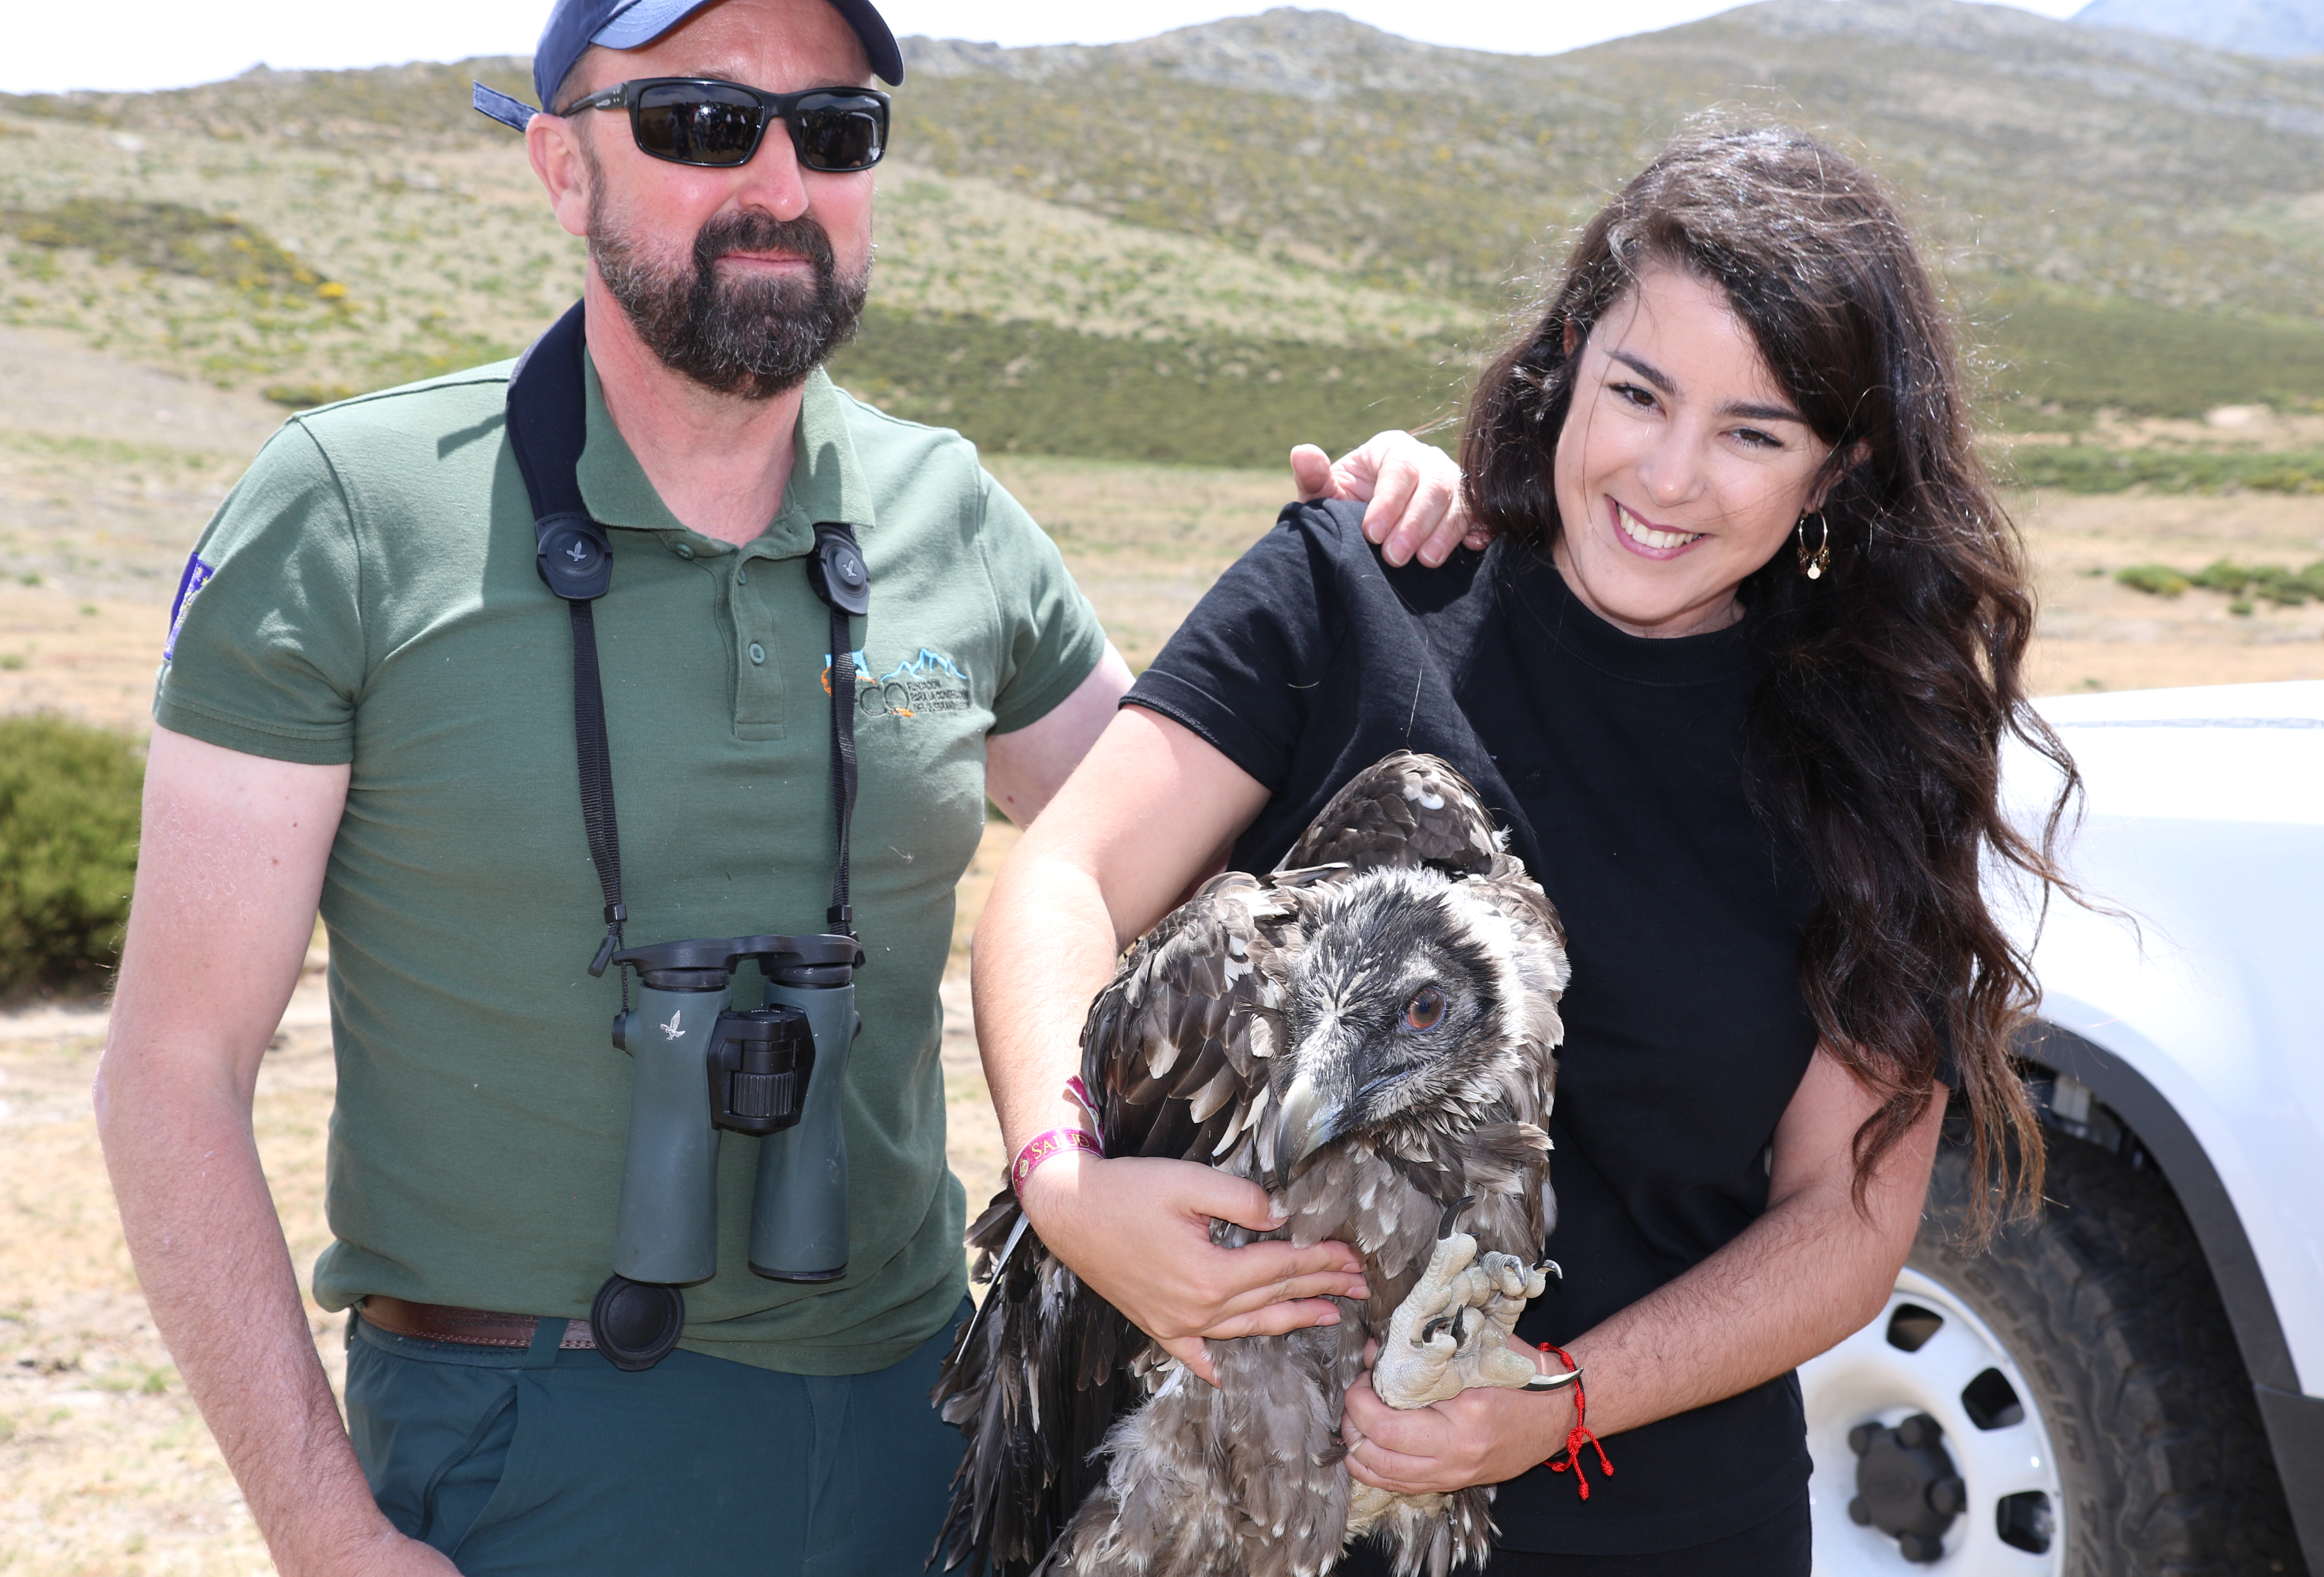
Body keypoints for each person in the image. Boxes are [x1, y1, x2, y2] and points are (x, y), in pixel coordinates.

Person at [90, 0, 1469, 1571]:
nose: (778, 180)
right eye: (696, 123)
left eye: (834, 132)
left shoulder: (947, 512)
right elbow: (171, 1075)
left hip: (923, 1419)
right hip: (524, 1432)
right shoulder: (348, 515)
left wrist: (1365, 570)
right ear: (561, 166)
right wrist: (325, 1532)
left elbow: (1209, 873)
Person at [972, 127, 2077, 1573]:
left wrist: (1559, 1404)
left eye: (1755, 433)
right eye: (1637, 392)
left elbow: (1845, 1225)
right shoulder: (1356, 587)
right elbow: (1065, 877)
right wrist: (1065, 1184)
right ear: (1569, 355)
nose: (1670, 476)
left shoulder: (1875, 750)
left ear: (1838, 470)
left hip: (1664, 1525)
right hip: (1229, 1516)